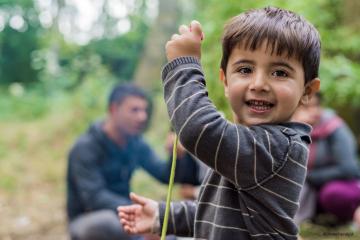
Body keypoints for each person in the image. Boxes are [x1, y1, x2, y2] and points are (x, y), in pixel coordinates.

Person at [118, 6, 321, 240]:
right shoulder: (243, 146)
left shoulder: (279, 146)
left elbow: (198, 129)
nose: (259, 84)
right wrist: (162, 216)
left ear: (307, 90)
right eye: (245, 69)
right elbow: (218, 212)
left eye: (280, 73)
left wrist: (185, 64)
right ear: (225, 81)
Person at [66, 83, 195, 240]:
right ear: (113, 109)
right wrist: (138, 212)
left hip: (125, 214)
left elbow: (165, 175)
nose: (142, 117)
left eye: (144, 110)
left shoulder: (134, 142)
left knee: (169, 224)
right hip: (89, 218)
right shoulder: (85, 147)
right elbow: (94, 198)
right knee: (108, 223)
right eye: (134, 110)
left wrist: (177, 155)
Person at [292, 92, 360, 226]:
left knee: (333, 194)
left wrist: (309, 176)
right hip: (309, 192)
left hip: (342, 185)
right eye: (306, 107)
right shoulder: (289, 130)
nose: (314, 111)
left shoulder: (333, 127)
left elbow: (349, 169)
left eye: (316, 105)